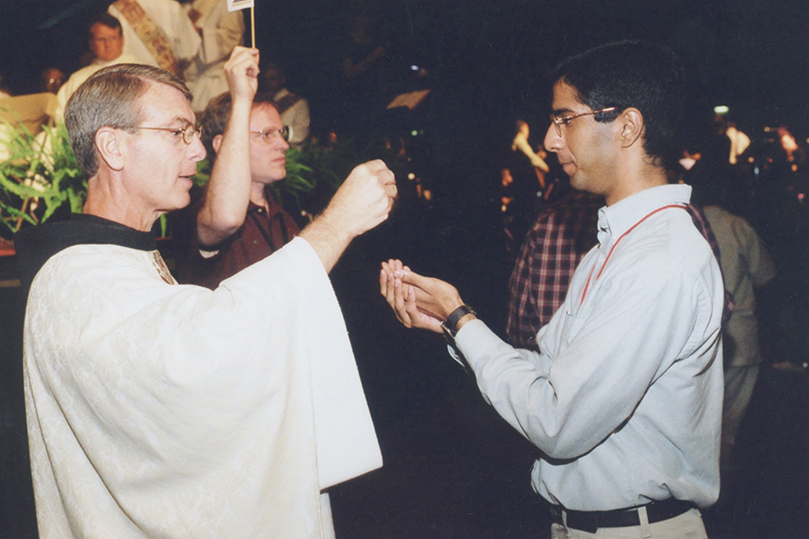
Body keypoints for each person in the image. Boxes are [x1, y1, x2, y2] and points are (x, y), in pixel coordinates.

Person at [14, 46, 396, 537]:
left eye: (194, 133)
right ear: (113, 147)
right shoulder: (74, 279)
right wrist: (338, 223)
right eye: (179, 132)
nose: (197, 151)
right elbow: (202, 350)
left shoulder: (115, 261)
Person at [381, 40, 725, 538]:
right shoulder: (612, 247)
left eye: (565, 119)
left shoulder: (660, 260)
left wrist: (461, 319)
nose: (548, 140)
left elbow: (556, 422)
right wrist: (452, 325)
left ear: (627, 126)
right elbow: (548, 374)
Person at [178, 83, 299, 288]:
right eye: (266, 134)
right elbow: (224, 219)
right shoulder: (201, 209)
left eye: (281, 132)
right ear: (222, 145)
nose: (283, 145)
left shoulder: (284, 219)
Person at [54, 13, 137, 122]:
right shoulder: (78, 78)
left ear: (122, 40)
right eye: (101, 39)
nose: (107, 44)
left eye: (112, 38)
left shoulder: (139, 71)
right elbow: (61, 114)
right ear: (92, 44)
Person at [183, 0, 245, 114]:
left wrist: (198, 32)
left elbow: (231, 35)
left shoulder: (226, 3)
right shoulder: (189, 6)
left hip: (215, 85)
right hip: (191, 85)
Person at [108, 0, 200, 76]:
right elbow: (189, 52)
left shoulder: (115, 9)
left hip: (131, 82)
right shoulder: (172, 7)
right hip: (167, 81)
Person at [261, 62, 310, 145]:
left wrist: (274, 134)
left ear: (282, 80)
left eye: (272, 79)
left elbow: (302, 133)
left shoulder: (298, 103)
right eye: (266, 79)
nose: (269, 83)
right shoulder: (261, 102)